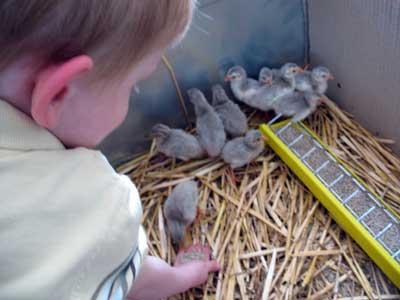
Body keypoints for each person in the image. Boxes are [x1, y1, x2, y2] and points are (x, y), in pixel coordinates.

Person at [0, 1, 219, 299]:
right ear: (60, 93)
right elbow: (129, 282)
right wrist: (179, 277)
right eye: (134, 85)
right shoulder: (94, 204)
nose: (132, 97)